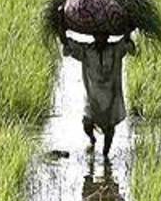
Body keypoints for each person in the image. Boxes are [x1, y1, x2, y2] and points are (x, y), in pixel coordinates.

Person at [58, 26, 136, 156]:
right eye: (98, 36)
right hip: (92, 96)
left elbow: (128, 46)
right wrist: (61, 29)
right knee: (87, 123)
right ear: (94, 36)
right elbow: (67, 47)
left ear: (107, 37)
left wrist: (129, 29)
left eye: (103, 36)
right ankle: (92, 139)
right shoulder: (86, 51)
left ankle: (106, 155)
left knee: (109, 129)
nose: (101, 38)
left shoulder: (115, 49)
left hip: (111, 96)